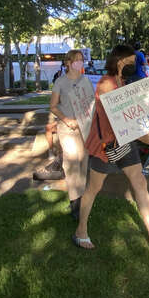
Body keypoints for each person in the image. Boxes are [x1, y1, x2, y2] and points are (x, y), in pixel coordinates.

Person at [74, 44, 149, 250]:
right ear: (119, 61)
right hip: (106, 145)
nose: (134, 64)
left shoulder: (122, 81)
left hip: (125, 140)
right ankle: (81, 231)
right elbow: (117, 118)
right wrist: (143, 136)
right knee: (94, 187)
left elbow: (131, 114)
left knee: (139, 182)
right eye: (130, 61)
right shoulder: (106, 83)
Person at [45, 49, 95, 219]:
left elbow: (91, 104)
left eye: (81, 59)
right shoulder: (60, 82)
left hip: (84, 129)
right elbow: (53, 106)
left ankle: (81, 199)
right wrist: (67, 120)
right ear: (68, 62)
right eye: (76, 59)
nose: (80, 62)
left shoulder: (86, 81)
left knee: (83, 163)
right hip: (67, 129)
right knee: (71, 164)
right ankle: (75, 203)